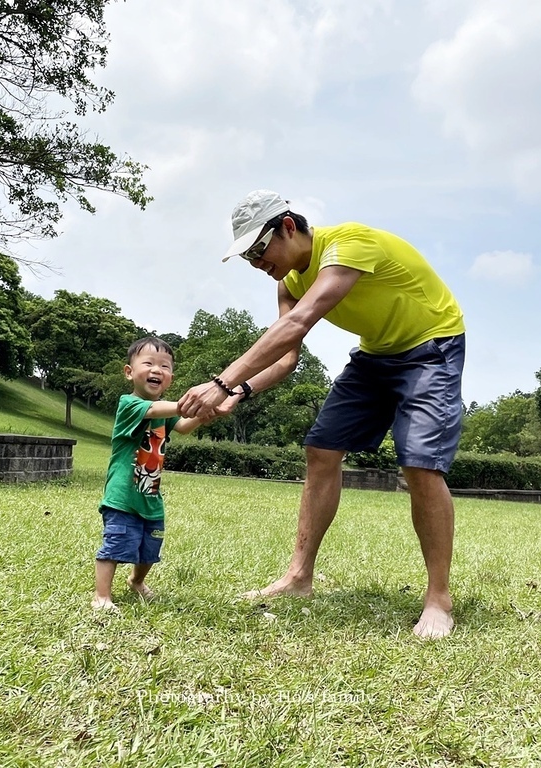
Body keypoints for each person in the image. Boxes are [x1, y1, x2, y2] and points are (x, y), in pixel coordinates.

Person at [177, 190, 466, 639]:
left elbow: (298, 323)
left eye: (259, 248)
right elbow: (287, 356)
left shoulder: (348, 243)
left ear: (288, 227)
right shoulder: (289, 281)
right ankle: (298, 578)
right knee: (320, 448)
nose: (256, 262)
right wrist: (239, 390)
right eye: (247, 256)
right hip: (376, 356)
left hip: (432, 347)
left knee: (419, 462)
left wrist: (218, 383)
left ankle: (438, 598)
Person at [93, 336, 203, 611]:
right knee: (115, 545)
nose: (157, 370)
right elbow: (155, 409)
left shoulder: (165, 411)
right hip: (122, 494)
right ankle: (101, 596)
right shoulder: (129, 404)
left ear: (170, 378)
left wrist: (209, 409)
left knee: (149, 547)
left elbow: (186, 426)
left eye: (164, 366)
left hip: (149, 492)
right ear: (129, 372)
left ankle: (136, 581)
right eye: (149, 363)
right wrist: (192, 401)